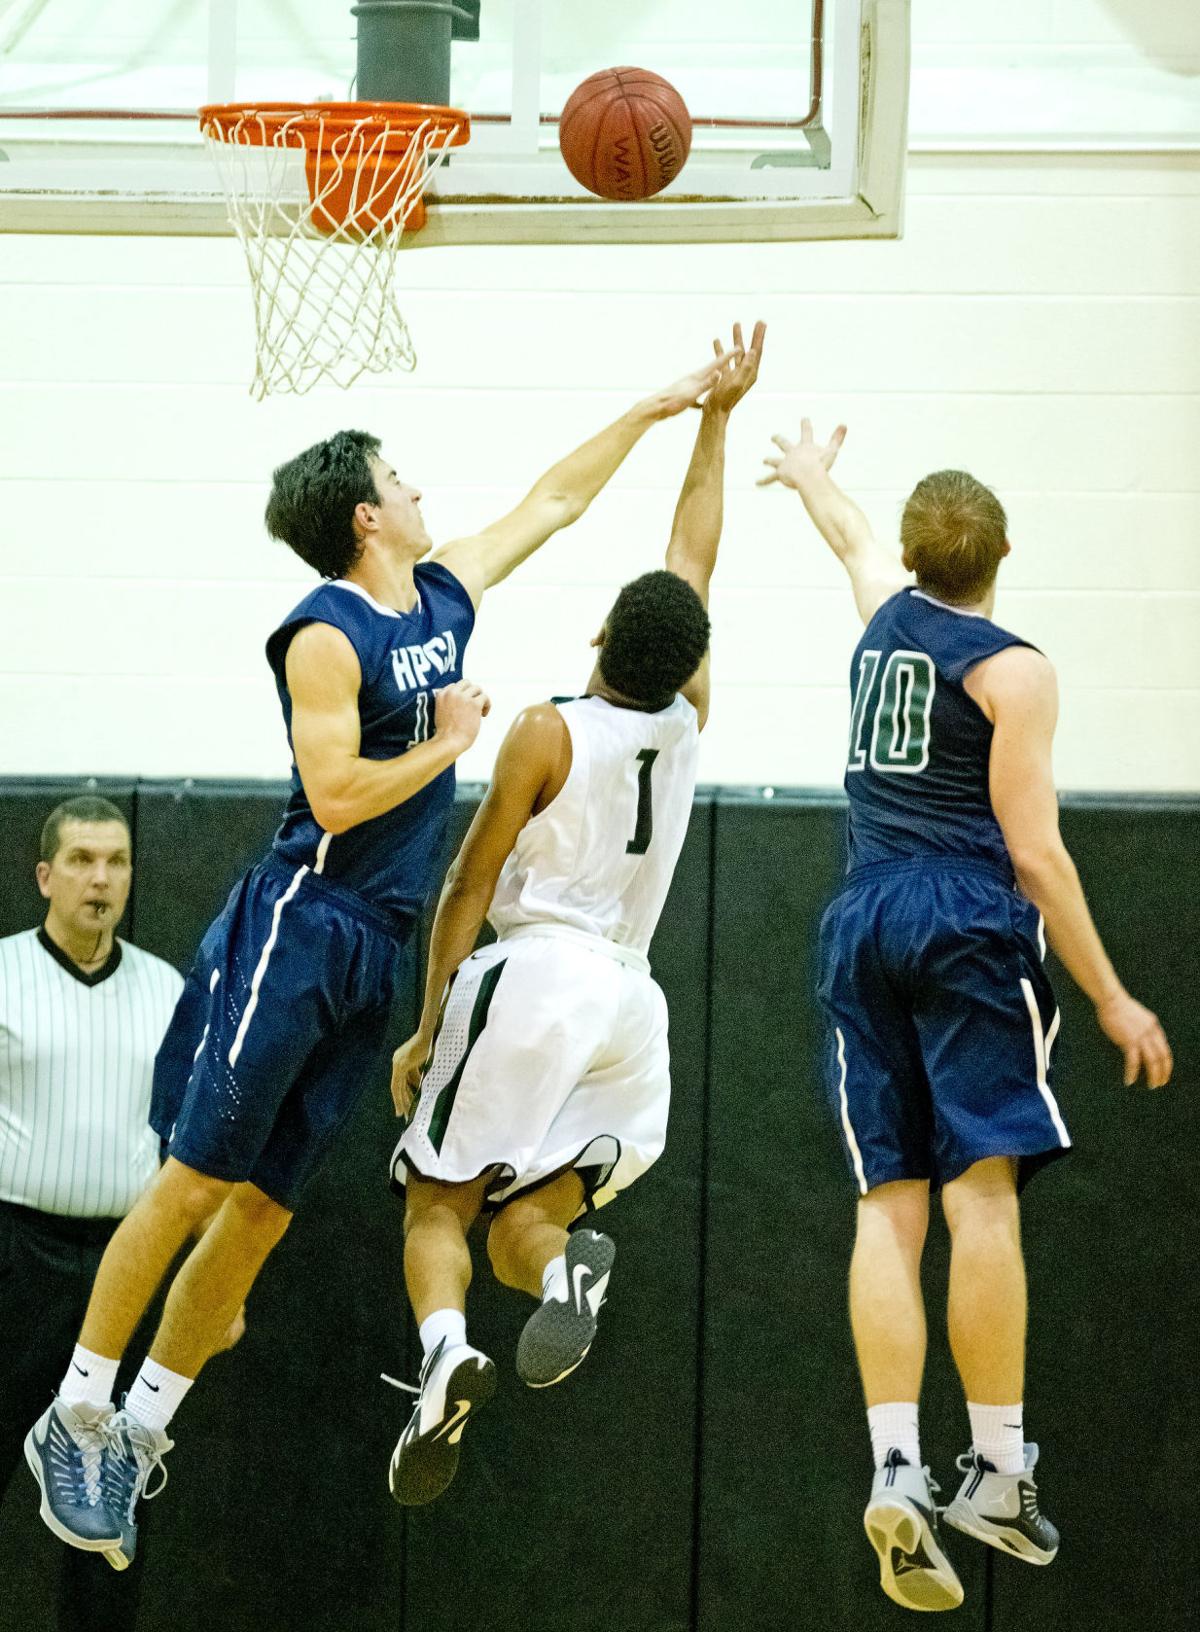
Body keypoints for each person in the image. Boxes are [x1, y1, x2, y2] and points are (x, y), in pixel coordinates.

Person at [25, 352, 733, 1567]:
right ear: (366, 513)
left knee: (262, 1210)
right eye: (399, 479)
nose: (419, 491)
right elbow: (337, 793)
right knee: (195, 1180)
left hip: (375, 949)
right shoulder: (320, 633)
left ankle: (144, 1428)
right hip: (300, 924)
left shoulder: (445, 595)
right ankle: (76, 1413)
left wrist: (662, 407)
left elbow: (553, 501)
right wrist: (452, 739)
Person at [759, 423, 1173, 1612]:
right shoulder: (1014, 668)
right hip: (962, 917)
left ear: (912, 552)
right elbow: (1035, 852)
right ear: (1004, 555)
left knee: (887, 1204)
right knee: (978, 1194)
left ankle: (894, 1459)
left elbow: (846, 536)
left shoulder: (883, 616)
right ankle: (995, 1470)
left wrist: (809, 472)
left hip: (859, 918)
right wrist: (1108, 991)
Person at [384, 322, 765, 1507]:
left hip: (536, 975)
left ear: (601, 635)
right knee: (521, 1223)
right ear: (682, 657)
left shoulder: (547, 730)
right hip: (632, 1010)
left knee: (436, 1201)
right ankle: (560, 1282)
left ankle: (444, 1355)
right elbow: (691, 563)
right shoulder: (687, 720)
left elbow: (463, 886)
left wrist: (426, 1022)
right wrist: (718, 420)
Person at [0, 796, 238, 1616]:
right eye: (81, 861)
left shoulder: (167, 990)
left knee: (108, 1496)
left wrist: (217, 1279)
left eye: (116, 862)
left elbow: (195, 1154)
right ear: (45, 875)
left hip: (128, 1269)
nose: (100, 879)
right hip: (15, 1258)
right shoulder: (2, 976)